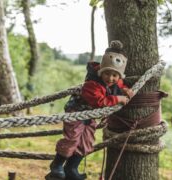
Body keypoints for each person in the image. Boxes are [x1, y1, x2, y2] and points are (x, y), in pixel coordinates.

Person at [45, 40, 133, 180]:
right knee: (73, 139)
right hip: (77, 112)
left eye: (114, 75)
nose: (110, 78)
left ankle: (71, 168)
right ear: (100, 72)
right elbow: (99, 102)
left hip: (90, 116)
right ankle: (56, 166)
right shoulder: (92, 84)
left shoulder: (115, 81)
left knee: (86, 141)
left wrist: (126, 90)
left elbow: (119, 85)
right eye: (107, 74)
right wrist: (119, 99)